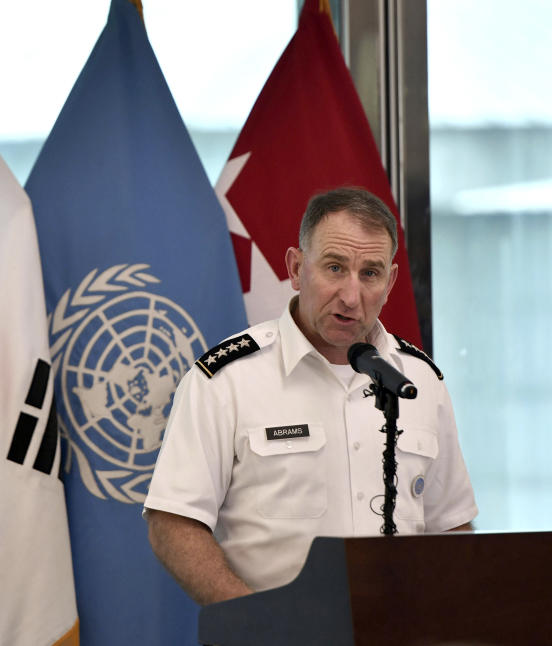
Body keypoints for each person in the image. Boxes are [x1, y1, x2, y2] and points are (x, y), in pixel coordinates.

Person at [143, 187, 478, 605]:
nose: (351, 296)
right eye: (335, 268)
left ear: (390, 281)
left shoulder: (419, 380)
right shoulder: (226, 379)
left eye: (370, 273)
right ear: (297, 268)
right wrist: (255, 624)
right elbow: (173, 522)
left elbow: (450, 526)